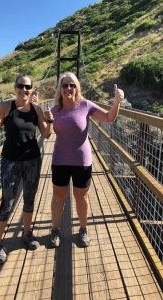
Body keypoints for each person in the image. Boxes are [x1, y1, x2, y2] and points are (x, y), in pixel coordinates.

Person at [45, 72, 124, 248]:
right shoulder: (54, 110)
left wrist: (117, 102)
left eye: (72, 85)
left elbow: (109, 118)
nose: (68, 88)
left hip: (82, 161)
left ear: (77, 87)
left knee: (81, 198)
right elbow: (47, 134)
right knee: (58, 197)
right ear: (60, 89)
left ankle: (82, 230)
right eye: (64, 85)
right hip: (60, 160)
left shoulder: (86, 105)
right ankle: (55, 230)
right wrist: (46, 119)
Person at [0, 74, 52, 264]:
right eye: (21, 86)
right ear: (15, 87)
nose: (24, 90)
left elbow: (47, 134)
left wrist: (50, 121)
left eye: (28, 87)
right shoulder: (7, 107)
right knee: (7, 202)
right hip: (10, 161)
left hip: (32, 160)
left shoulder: (37, 109)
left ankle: (27, 233)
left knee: (29, 198)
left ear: (31, 89)